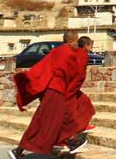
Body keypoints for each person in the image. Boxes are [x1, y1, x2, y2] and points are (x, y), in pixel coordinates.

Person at [9, 31, 86, 159]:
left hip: (50, 90)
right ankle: (18, 151)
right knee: (43, 121)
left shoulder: (56, 51)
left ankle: (70, 142)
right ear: (71, 42)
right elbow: (74, 73)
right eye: (76, 41)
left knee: (57, 118)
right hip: (56, 91)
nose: (77, 44)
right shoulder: (67, 54)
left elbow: (42, 67)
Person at [56, 36, 97, 154]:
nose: (91, 48)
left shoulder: (76, 52)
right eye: (90, 45)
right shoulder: (82, 54)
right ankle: (71, 137)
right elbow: (77, 73)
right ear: (87, 46)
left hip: (70, 88)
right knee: (71, 112)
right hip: (70, 89)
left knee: (86, 103)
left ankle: (82, 127)